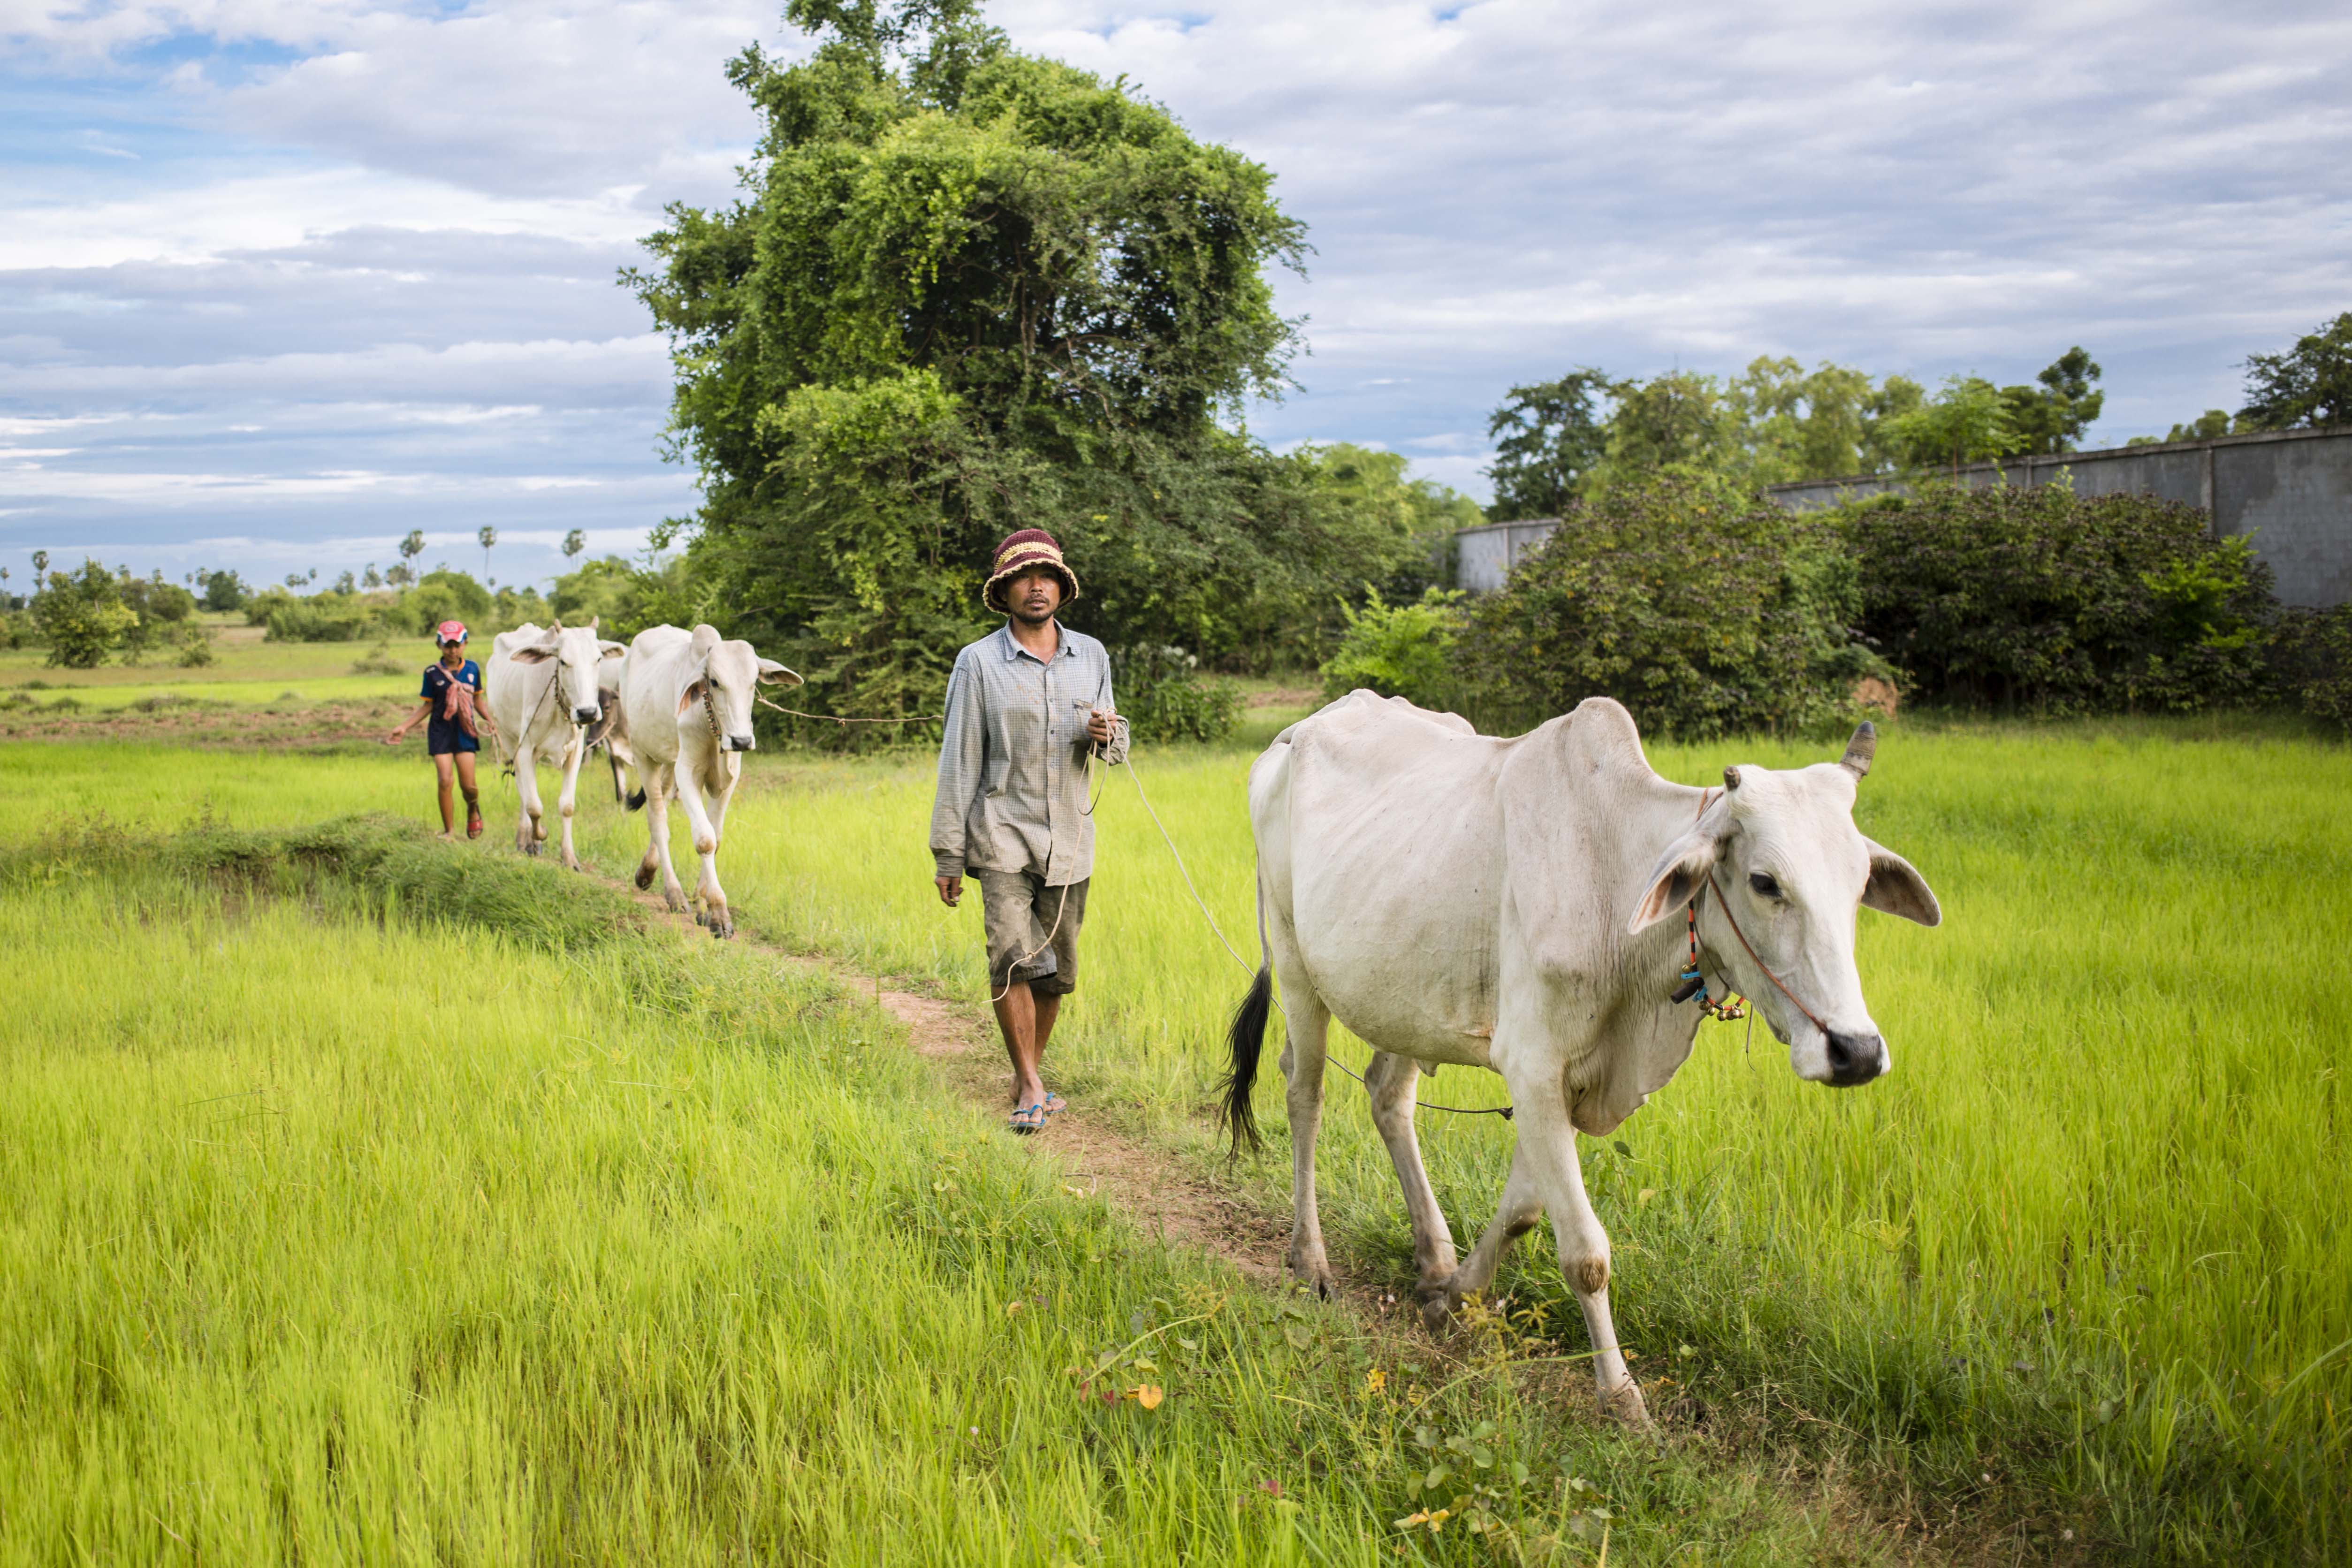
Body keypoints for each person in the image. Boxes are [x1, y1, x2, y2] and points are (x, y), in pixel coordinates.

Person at [930, 530, 1130, 1134]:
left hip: (1070, 837)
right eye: (1023, 576)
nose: (1036, 585)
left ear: (1062, 588)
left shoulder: (1091, 656)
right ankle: (1034, 1085)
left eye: (1046, 575)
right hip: (1001, 833)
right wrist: (947, 853)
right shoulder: (978, 662)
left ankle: (1027, 1076)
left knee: (1056, 973)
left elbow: (1116, 747)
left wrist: (1108, 736)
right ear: (1006, 591)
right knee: (1012, 960)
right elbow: (959, 759)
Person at [384, 620, 500, 839]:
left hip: (465, 731)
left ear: (465, 644)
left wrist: (489, 719)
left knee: (470, 787)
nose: (453, 650)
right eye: (448, 646)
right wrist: (404, 727)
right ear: (439, 645)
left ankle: (473, 809)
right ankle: (449, 831)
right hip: (440, 732)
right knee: (445, 780)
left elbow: (477, 700)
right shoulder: (432, 673)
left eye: (457, 645)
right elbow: (427, 706)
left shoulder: (473, 669)